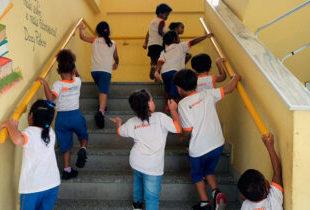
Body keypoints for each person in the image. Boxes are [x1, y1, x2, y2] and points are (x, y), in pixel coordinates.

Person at [173, 69, 240, 210]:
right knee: (209, 170)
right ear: (196, 84)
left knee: (197, 175)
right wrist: (236, 77)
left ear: (178, 88)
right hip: (217, 143)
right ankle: (216, 192)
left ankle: (205, 203)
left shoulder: (183, 105)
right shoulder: (208, 93)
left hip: (199, 149)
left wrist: (181, 134)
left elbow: (187, 130)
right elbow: (229, 88)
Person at [110, 89, 181, 210]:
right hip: (153, 167)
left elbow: (120, 132)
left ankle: (137, 204)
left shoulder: (132, 122)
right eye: (151, 99)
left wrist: (119, 122)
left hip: (136, 162)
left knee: (138, 181)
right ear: (148, 105)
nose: (153, 101)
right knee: (152, 196)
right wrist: (173, 110)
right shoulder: (160, 118)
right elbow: (178, 128)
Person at [37, 49, 88, 180]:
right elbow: (78, 76)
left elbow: (50, 99)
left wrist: (45, 84)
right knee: (83, 135)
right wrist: (75, 71)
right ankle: (83, 148)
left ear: (58, 71)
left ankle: (66, 170)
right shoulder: (78, 81)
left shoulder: (58, 84)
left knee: (65, 144)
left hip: (62, 119)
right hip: (76, 116)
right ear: (73, 69)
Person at [1, 100, 60, 210]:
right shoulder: (50, 132)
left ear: (31, 115)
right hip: (52, 184)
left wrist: (10, 126)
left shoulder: (31, 132)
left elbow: (18, 140)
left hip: (33, 188)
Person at [154, 31, 212, 112]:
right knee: (177, 93)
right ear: (175, 39)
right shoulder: (181, 46)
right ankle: (176, 109)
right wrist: (206, 36)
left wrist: (156, 72)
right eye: (178, 36)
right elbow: (193, 41)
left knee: (167, 90)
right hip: (174, 73)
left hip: (164, 73)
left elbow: (160, 61)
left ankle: (167, 106)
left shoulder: (164, 51)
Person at [79, 21, 119, 128]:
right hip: (106, 71)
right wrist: (117, 63)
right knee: (103, 91)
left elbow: (82, 37)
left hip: (94, 71)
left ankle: (102, 106)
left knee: (101, 88)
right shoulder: (113, 44)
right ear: (108, 31)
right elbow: (116, 57)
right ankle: (101, 112)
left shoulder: (94, 40)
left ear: (97, 31)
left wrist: (81, 29)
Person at [238, 133, 283, 210]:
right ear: (266, 189)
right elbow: (277, 172)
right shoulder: (273, 199)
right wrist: (270, 146)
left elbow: (243, 196)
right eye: (264, 179)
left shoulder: (246, 205)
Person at [143, 3, 172, 80]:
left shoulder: (152, 21)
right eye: (166, 15)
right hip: (158, 44)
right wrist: (167, 37)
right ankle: (157, 77)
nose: (167, 17)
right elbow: (160, 31)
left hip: (151, 44)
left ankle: (152, 67)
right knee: (159, 62)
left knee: (153, 61)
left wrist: (145, 43)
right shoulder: (161, 21)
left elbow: (148, 33)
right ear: (160, 13)